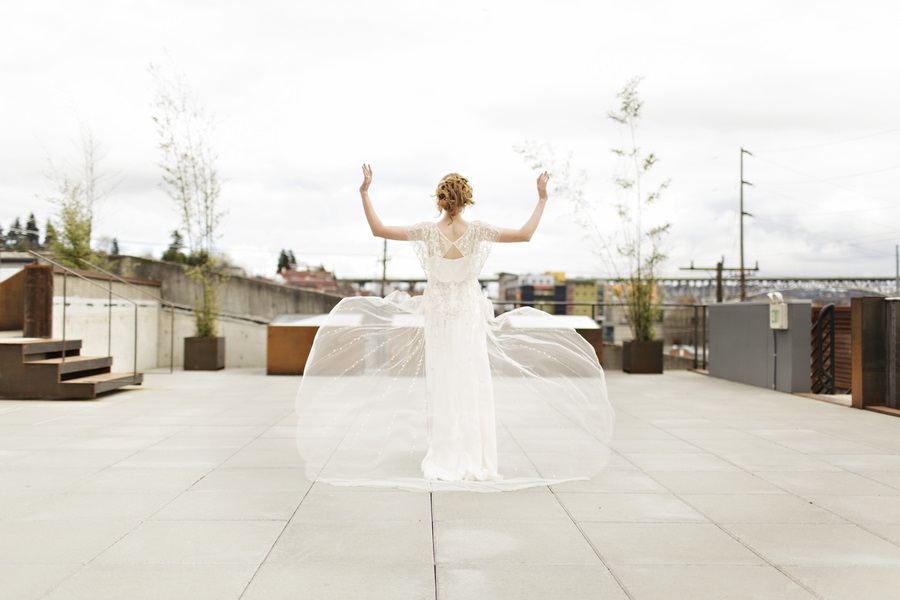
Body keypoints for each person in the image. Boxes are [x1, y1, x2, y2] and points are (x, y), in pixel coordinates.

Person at [294, 165, 614, 492]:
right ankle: (474, 456)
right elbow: (525, 234)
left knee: (443, 381)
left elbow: (378, 229)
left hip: (439, 317)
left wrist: (364, 192)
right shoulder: (477, 232)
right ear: (466, 200)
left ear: (440, 200)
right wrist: (542, 199)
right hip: (467, 315)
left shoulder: (427, 232)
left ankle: (445, 453)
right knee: (472, 380)